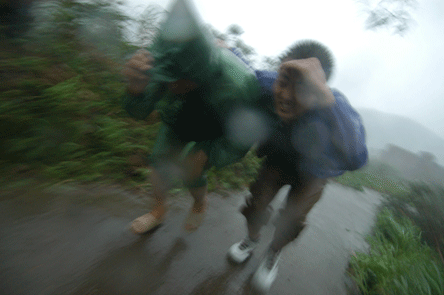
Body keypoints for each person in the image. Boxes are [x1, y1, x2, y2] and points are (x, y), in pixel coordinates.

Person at [227, 40, 368, 293]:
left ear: (320, 88)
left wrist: (326, 100)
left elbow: (357, 157)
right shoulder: (273, 83)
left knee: (293, 218)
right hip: (279, 160)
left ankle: (273, 254)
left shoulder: (334, 105)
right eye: (284, 81)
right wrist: (225, 48)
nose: (286, 95)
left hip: (314, 174)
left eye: (302, 87)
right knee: (257, 201)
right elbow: (247, 70)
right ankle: (251, 239)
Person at [121, 0, 272, 234]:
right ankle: (158, 211)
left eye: (179, 80)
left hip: (215, 128)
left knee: (193, 170)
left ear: (203, 76)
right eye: (166, 78)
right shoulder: (164, 63)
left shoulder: (239, 85)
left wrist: (211, 153)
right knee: (158, 164)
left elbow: (243, 137)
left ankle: (200, 202)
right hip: (178, 119)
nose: (170, 85)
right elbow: (138, 111)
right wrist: (134, 89)